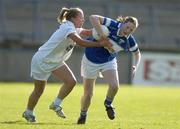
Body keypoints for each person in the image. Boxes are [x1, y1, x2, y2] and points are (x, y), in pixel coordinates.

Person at [22, 7, 112, 123]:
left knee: (71, 81)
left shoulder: (74, 28)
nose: (83, 20)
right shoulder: (68, 28)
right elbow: (81, 42)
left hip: (55, 61)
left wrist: (105, 30)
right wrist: (101, 44)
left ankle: (56, 104)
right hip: (42, 60)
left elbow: (89, 32)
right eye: (81, 18)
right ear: (73, 18)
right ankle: (29, 112)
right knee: (39, 90)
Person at [77, 14, 141, 124]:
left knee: (115, 86)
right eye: (127, 27)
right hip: (90, 59)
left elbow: (137, 53)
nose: (128, 30)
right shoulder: (113, 25)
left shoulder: (129, 40)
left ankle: (108, 104)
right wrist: (103, 37)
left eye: (132, 29)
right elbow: (93, 17)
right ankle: (83, 114)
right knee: (88, 94)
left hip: (108, 61)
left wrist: (136, 65)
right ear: (123, 23)